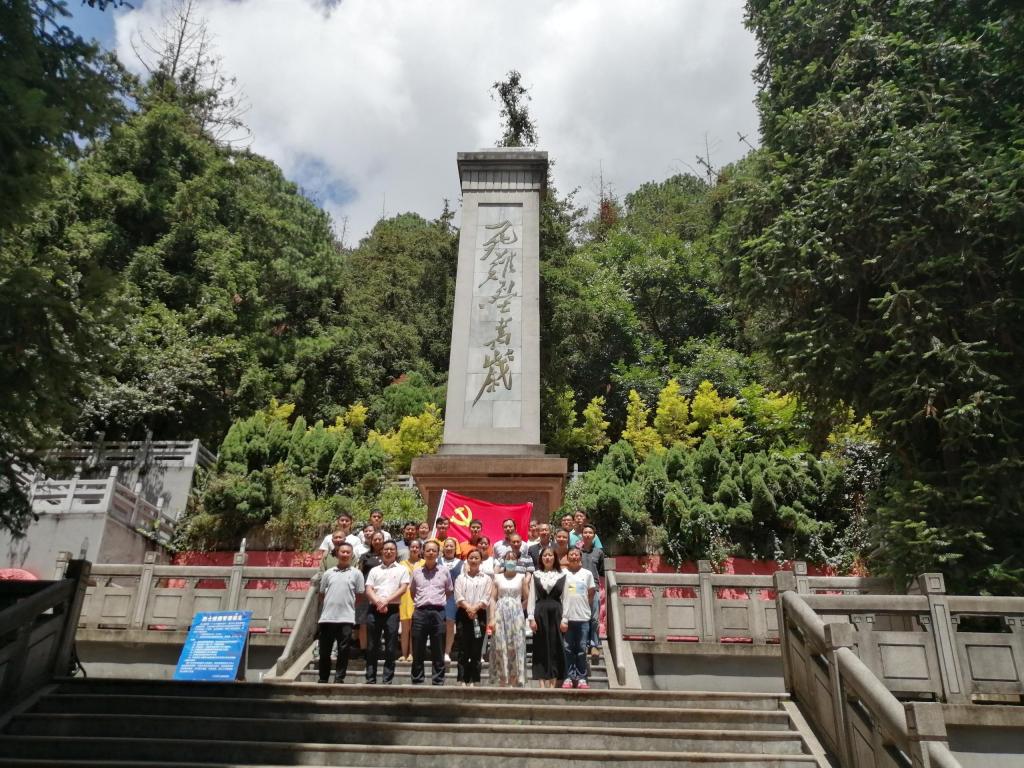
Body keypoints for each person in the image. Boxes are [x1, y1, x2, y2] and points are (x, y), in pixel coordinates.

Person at [317, 542, 364, 684]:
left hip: (346, 618)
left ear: (351, 555)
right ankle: (323, 677)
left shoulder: (357, 574)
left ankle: (339, 678)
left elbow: (360, 596)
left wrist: (348, 606)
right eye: (342, 552)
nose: (345, 554)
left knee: (343, 651)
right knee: (324, 651)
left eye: (348, 552)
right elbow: (321, 594)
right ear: (337, 554)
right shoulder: (328, 573)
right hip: (327, 618)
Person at [363, 540, 409, 684]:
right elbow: (368, 589)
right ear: (382, 551)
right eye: (386, 549)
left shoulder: (402, 569)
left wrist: (386, 601)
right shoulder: (374, 570)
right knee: (372, 645)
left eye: (392, 549)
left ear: (396, 552)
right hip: (374, 609)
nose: (389, 552)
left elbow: (403, 588)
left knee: (391, 645)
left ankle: (387, 679)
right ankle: (370, 678)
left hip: (392, 610)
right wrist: (378, 602)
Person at [409, 540, 453, 685]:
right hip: (420, 612)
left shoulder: (444, 571)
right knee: (418, 647)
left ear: (438, 553)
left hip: (438, 612)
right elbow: (412, 592)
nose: (431, 553)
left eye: (434, 550)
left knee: (438, 648)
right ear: (423, 552)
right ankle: (417, 680)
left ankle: (438, 680)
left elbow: (448, 591)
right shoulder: (416, 571)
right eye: (428, 550)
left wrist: (436, 602)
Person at [489, 550, 529, 687]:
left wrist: (518, 607)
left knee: (515, 646)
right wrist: (492, 618)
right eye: (508, 558)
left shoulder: (521, 577)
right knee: (500, 646)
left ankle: (514, 680)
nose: (510, 561)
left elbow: (528, 598)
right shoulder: (497, 577)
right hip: (500, 614)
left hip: (516, 616)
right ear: (504, 561)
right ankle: (502, 680)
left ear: (517, 561)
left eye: (513, 558)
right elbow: (492, 598)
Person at [528, 546, 566, 687]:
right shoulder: (536, 575)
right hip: (540, 612)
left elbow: (566, 598)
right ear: (541, 558)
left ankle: (553, 682)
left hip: (557, 613)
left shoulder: (562, 575)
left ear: (555, 557)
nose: (547, 558)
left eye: (550, 555)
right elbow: (532, 597)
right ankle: (541, 683)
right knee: (540, 646)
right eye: (545, 555)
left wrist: (565, 619)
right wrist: (531, 618)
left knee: (555, 646)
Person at [454, 548, 491, 686]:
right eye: (471, 558)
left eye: (476, 558)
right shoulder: (460, 578)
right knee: (463, 648)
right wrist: (469, 608)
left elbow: (486, 597)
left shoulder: (486, 578)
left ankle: (475, 680)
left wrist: (475, 608)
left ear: (481, 561)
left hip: (479, 615)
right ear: (467, 560)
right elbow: (458, 596)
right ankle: (462, 679)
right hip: (463, 614)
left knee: (476, 648)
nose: (474, 560)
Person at [560, 547, 596, 689]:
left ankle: (581, 678)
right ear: (567, 557)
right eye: (571, 554)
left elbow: (591, 593)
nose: (574, 557)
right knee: (567, 649)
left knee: (581, 649)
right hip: (567, 617)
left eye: (576, 554)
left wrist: (584, 606)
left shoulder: (587, 574)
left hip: (583, 618)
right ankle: (568, 677)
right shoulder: (562, 573)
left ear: (580, 557)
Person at [356, 531, 385, 657]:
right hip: (365, 591)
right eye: (375, 539)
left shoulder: (387, 555)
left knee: (378, 621)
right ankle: (363, 649)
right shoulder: (365, 556)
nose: (377, 541)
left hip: (381, 592)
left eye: (380, 539)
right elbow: (359, 573)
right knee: (363, 621)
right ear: (371, 541)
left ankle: (377, 647)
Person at [578, 524, 605, 659]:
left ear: (594, 536)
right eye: (585, 532)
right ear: (582, 535)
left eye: (590, 533)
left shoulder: (599, 553)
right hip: (579, 588)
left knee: (594, 618)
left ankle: (594, 644)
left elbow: (601, 572)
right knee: (580, 617)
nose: (587, 535)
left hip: (594, 588)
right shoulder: (576, 552)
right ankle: (582, 643)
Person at [398, 539, 423, 661]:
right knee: (405, 627)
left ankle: (412, 653)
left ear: (420, 549)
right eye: (412, 547)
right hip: (404, 596)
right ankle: (404, 654)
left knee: (415, 627)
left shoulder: (424, 563)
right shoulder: (401, 564)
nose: (414, 549)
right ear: (409, 549)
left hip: (418, 596)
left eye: (417, 547)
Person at [440, 537, 464, 662]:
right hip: (437, 596)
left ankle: (447, 652)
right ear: (443, 548)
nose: (449, 548)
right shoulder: (437, 561)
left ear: (455, 549)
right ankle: (437, 650)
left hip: (453, 597)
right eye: (447, 546)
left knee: (450, 623)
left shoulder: (461, 563)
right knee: (437, 623)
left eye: (451, 546)